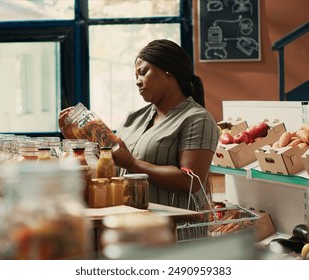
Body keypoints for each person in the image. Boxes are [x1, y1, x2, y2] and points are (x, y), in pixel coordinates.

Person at [59, 39, 219, 210]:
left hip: (176, 230)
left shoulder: (197, 119)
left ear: (169, 70)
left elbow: (191, 181)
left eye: (142, 73)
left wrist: (132, 164)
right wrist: (76, 141)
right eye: (136, 76)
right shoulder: (133, 118)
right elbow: (110, 168)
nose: (137, 81)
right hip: (129, 222)